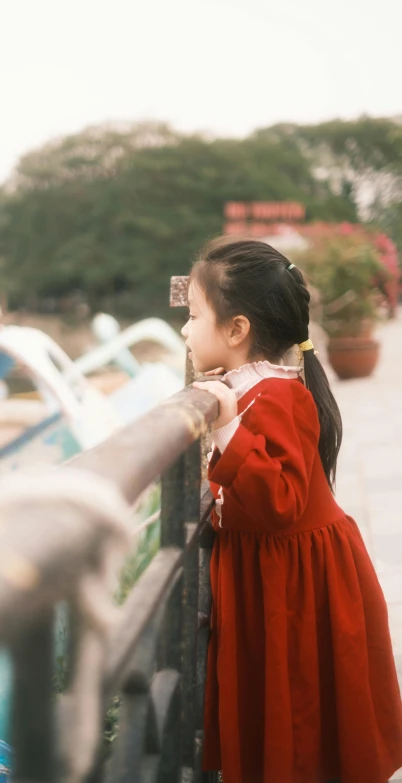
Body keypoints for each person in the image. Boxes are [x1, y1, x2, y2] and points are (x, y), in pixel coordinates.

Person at [182, 237, 402, 783]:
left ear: (237, 330)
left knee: (298, 700)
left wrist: (226, 425)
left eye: (192, 316)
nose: (184, 331)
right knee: (284, 696)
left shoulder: (278, 396)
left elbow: (278, 501)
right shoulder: (252, 387)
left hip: (294, 581)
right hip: (276, 574)